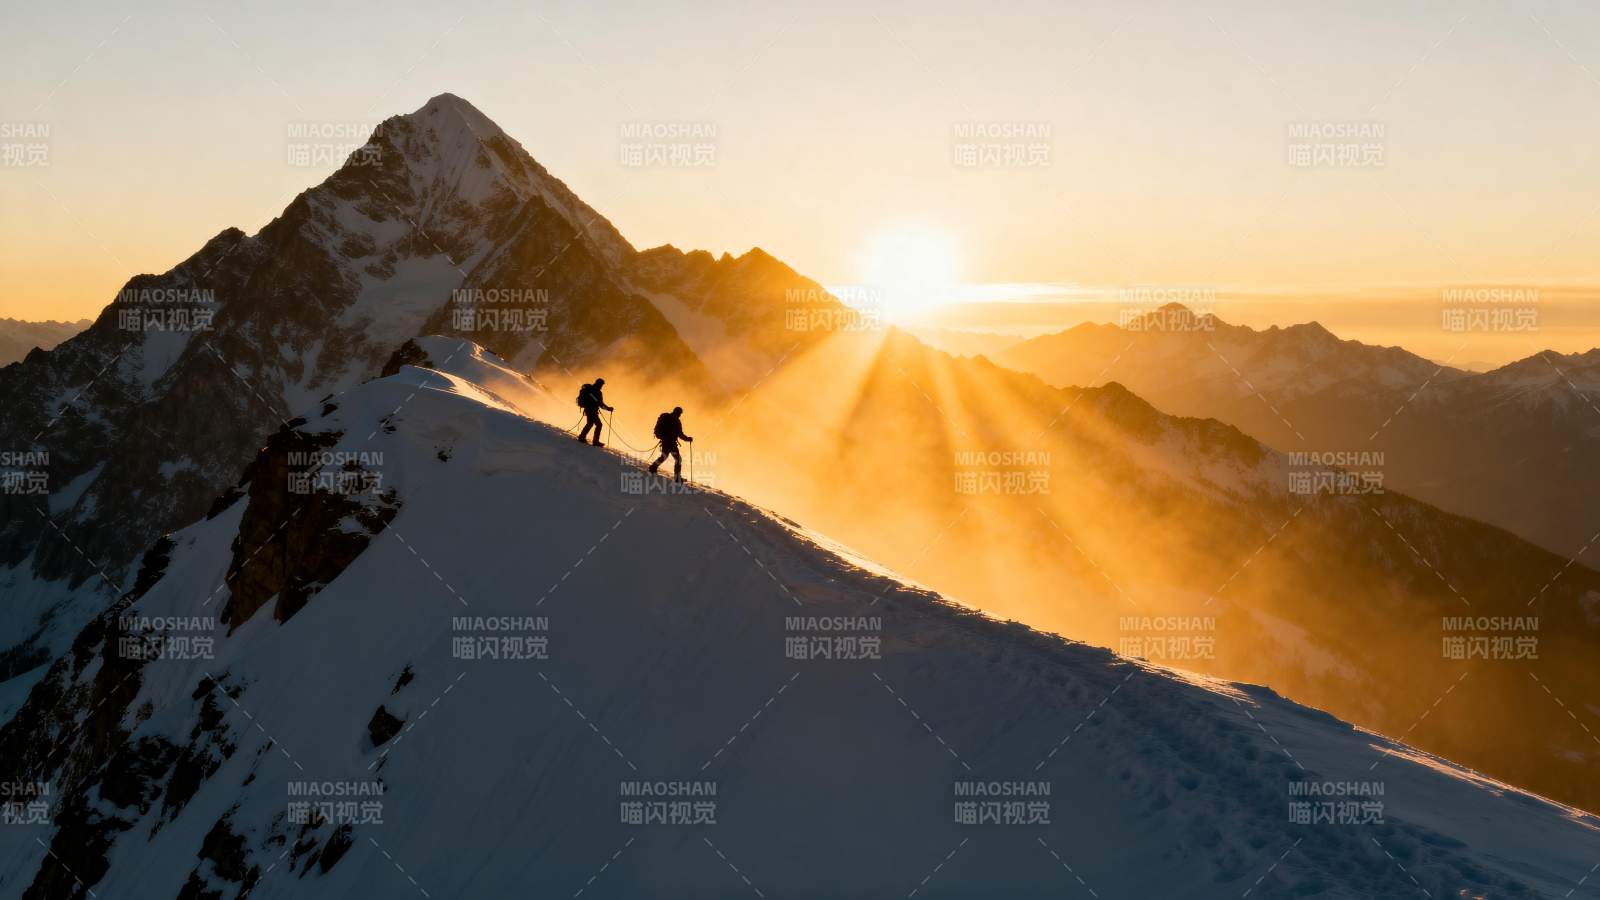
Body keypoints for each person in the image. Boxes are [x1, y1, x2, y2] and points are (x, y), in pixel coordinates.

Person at [649, 406, 693, 481]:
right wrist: (688, 439)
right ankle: (677, 478)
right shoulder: (676, 421)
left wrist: (687, 439)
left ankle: (653, 467)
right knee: (677, 459)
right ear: (678, 413)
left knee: (665, 456)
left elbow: (679, 434)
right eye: (679, 413)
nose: (680, 415)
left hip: (666, 441)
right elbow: (680, 434)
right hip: (670, 442)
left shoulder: (668, 418)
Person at [576, 378, 612, 446]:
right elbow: (601, 404)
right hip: (591, 410)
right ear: (599, 384)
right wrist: (608, 409)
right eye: (601, 384)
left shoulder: (591, 390)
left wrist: (608, 408)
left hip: (589, 410)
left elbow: (600, 404)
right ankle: (594, 441)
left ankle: (582, 437)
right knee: (598, 425)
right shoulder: (597, 392)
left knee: (590, 424)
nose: (602, 386)